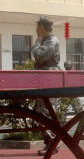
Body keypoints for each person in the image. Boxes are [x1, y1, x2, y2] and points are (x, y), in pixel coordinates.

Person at [32, 16, 60, 156]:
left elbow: (39, 56)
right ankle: (50, 143)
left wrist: (36, 43)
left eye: (38, 27)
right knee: (41, 112)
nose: (36, 29)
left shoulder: (51, 41)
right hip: (43, 78)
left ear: (42, 27)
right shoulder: (46, 41)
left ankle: (51, 144)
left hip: (48, 78)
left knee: (46, 113)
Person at [63, 61, 84, 130]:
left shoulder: (64, 73)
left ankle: (63, 125)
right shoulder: (71, 73)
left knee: (64, 111)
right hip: (71, 95)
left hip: (67, 95)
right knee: (79, 111)